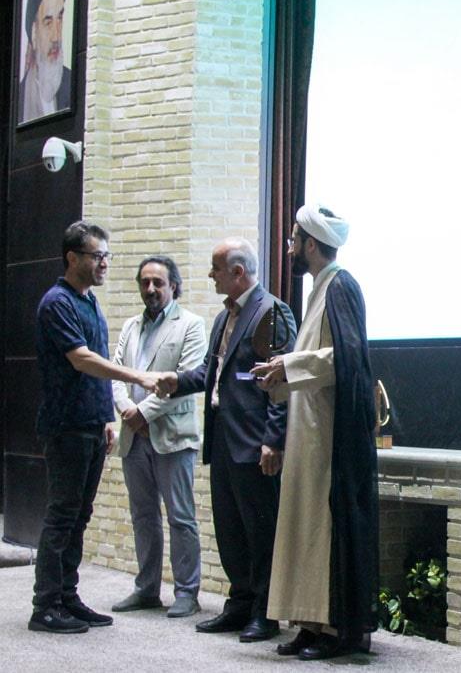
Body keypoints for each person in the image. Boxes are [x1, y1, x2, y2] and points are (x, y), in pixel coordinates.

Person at [252, 205, 378, 660]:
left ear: (310, 243)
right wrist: (280, 374)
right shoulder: (319, 290)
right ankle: (309, 622)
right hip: (308, 430)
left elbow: (348, 357)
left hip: (330, 436)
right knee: (304, 528)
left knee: (323, 529)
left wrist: (288, 365)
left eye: (293, 240)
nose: (289, 249)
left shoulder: (341, 286)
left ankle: (335, 628)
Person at [156, 237, 296, 643]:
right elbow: (210, 374)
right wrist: (176, 382)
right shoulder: (224, 317)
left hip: (255, 443)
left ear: (237, 272)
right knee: (231, 529)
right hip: (223, 440)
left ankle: (265, 613)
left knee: (260, 531)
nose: (210, 275)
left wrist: (274, 439)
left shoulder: (271, 312)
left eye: (215, 269)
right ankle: (239, 604)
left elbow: (282, 382)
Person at [30, 221, 161, 634]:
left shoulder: (88, 301)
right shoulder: (57, 303)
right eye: (97, 256)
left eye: (107, 255)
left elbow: (96, 364)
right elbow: (83, 359)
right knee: (62, 516)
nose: (105, 263)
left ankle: (67, 596)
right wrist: (137, 377)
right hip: (65, 426)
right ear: (73, 258)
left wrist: (106, 415)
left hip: (89, 424)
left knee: (79, 516)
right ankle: (45, 606)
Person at [110, 257, 208, 618]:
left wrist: (143, 413)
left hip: (172, 438)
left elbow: (186, 381)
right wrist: (126, 409)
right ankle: (147, 589)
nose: (150, 289)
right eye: (145, 282)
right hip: (133, 437)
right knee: (143, 515)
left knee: (181, 517)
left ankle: (187, 592)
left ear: (173, 286)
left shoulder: (192, 325)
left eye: (158, 283)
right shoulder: (130, 326)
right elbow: (116, 373)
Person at [19, 0, 72, 124]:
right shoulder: (19, 100)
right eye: (48, 22)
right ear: (34, 32)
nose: (56, 36)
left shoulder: (73, 86)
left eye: (59, 18)